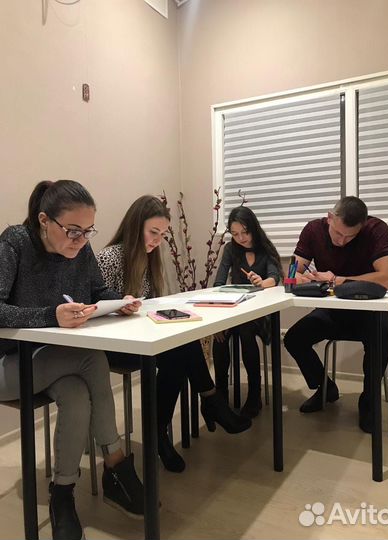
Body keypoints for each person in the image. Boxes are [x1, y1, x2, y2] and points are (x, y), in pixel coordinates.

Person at [0, 180, 147, 540]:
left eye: (88, 231)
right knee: (91, 359)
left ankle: (62, 493)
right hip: (9, 365)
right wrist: (51, 315)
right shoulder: (14, 243)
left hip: (54, 363)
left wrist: (119, 301)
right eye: (73, 231)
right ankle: (115, 465)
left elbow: (98, 290)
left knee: (77, 394)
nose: (81, 239)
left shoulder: (80, 248)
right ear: (44, 220)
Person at [96, 195, 252, 474]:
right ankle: (207, 403)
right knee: (179, 351)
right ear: (135, 226)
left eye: (162, 235)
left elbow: (149, 303)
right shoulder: (109, 257)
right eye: (153, 232)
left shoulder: (149, 258)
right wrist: (119, 305)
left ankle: (164, 430)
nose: (157, 241)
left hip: (140, 336)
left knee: (180, 345)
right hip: (112, 343)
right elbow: (94, 306)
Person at [283, 196, 388, 433]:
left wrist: (339, 280)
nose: (342, 241)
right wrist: (297, 277)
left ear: (361, 227)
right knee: (294, 338)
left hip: (369, 312)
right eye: (337, 233)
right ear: (330, 218)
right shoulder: (313, 230)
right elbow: (291, 273)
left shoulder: (375, 229)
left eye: (350, 236)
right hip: (332, 312)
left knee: (382, 336)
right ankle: (325, 388)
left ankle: (369, 401)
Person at [212, 206, 283, 418]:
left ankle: (254, 395)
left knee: (245, 328)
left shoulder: (265, 248)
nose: (241, 238)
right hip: (236, 309)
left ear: (253, 228)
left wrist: (262, 282)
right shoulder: (230, 249)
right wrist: (217, 317)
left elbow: (274, 277)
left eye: (244, 232)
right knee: (219, 335)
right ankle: (220, 394)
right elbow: (219, 282)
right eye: (235, 234)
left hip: (259, 314)